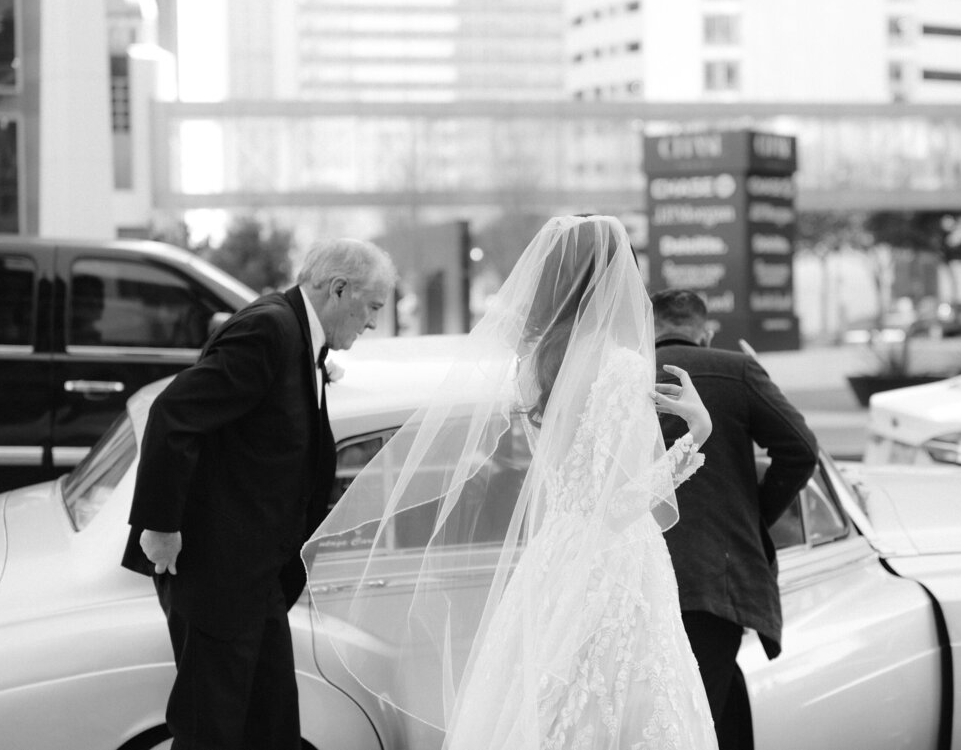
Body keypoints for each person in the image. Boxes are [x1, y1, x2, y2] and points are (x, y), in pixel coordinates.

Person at [303, 215, 719, 749]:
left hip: (556, 554)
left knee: (545, 704)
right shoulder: (620, 367)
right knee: (622, 704)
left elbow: (577, 485)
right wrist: (695, 437)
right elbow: (616, 505)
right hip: (613, 564)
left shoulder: (538, 365)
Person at [121, 239, 396, 750]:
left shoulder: (299, 337)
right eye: (374, 307)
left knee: (270, 731)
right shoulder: (269, 329)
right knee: (212, 734)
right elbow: (173, 416)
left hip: (254, 578)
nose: (374, 322)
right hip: (215, 578)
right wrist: (160, 527)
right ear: (339, 290)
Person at [651, 288, 819, 750]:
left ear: (649, 326)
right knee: (698, 719)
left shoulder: (617, 376)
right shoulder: (734, 370)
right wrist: (754, 515)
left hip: (636, 578)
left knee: (695, 711)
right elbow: (800, 450)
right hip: (715, 577)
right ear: (705, 332)